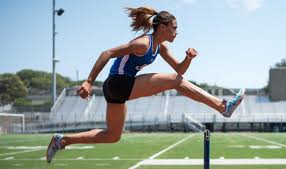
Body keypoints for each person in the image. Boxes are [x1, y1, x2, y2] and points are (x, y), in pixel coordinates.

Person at [46, 6, 245, 163]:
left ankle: (62, 140)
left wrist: (188, 58)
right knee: (175, 82)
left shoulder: (160, 47)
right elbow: (106, 53)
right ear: (163, 27)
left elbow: (180, 70)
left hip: (117, 90)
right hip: (119, 82)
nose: (177, 32)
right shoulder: (143, 43)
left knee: (113, 135)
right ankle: (222, 106)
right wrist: (89, 82)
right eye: (174, 28)